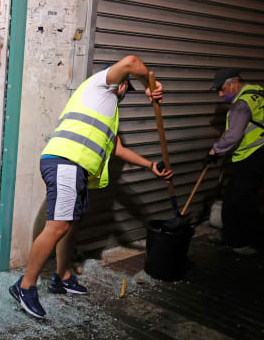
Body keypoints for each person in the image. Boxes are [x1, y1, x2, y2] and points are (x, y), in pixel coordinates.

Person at [9, 56, 173, 319]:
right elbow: (132, 61)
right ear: (120, 82)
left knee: (71, 225)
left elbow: (118, 149)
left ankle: (62, 277)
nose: (125, 94)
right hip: (65, 161)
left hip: (76, 168)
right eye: (126, 88)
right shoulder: (99, 85)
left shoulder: (109, 112)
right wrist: (147, 85)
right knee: (58, 226)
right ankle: (25, 286)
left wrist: (150, 166)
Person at [205, 68, 264, 256]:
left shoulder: (241, 103)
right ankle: (231, 238)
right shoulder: (256, 91)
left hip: (252, 156)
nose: (221, 94)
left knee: (244, 203)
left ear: (233, 82)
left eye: (222, 89)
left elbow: (234, 136)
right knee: (231, 197)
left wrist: (214, 151)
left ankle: (261, 245)